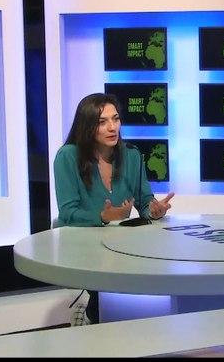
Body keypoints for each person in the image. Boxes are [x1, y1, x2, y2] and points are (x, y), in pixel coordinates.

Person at [53, 92, 174, 321]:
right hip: (83, 246)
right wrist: (103, 216)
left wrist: (154, 210)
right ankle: (91, 314)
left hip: (121, 247)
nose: (112, 127)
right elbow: (68, 213)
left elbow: (144, 201)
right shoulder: (67, 156)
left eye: (115, 119)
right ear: (86, 126)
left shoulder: (132, 155)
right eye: (102, 122)